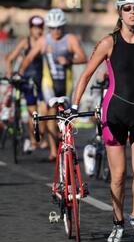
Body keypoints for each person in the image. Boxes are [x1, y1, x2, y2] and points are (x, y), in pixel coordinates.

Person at [71, 0, 134, 242]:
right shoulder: (108, 42)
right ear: (119, 12)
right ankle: (117, 222)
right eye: (127, 9)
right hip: (113, 114)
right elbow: (86, 74)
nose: (133, 12)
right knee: (117, 176)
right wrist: (74, 105)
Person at [17, 8, 87, 161]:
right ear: (49, 28)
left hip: (66, 83)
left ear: (64, 26)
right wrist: (20, 72)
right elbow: (28, 58)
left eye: (59, 27)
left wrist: (69, 61)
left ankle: (65, 144)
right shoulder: (44, 41)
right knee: (49, 116)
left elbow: (83, 57)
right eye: (53, 28)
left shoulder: (70, 39)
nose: (56, 31)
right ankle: (54, 150)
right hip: (48, 83)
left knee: (65, 118)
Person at [5, 15, 47, 151]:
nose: (38, 31)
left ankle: (38, 136)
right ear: (30, 29)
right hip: (27, 81)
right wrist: (10, 73)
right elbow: (9, 58)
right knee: (32, 112)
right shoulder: (25, 42)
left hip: (42, 81)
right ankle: (34, 139)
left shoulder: (45, 42)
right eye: (35, 28)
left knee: (44, 111)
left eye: (40, 27)